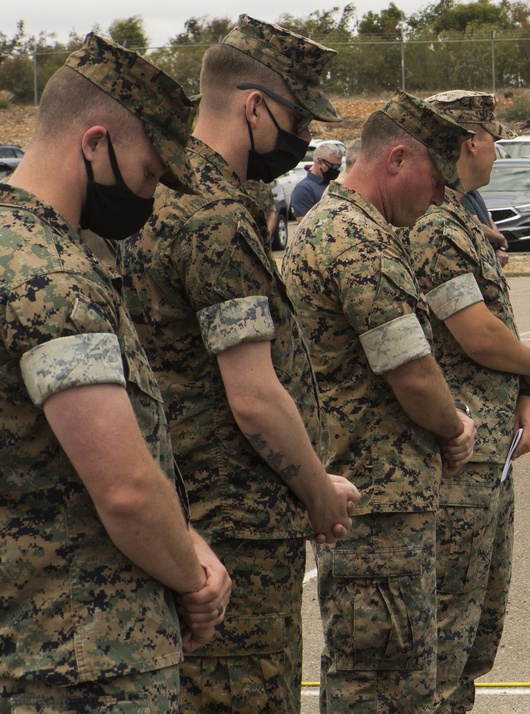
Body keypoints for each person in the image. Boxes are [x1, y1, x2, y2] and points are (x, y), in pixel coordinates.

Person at [118, 16, 361, 713]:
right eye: (295, 121)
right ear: (253, 107)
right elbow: (253, 396)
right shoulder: (214, 215)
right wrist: (318, 493)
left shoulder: (154, 190)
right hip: (237, 531)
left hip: (182, 514)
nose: (302, 143)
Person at [0, 34, 231, 709]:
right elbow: (126, 489)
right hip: (79, 662)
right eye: (151, 173)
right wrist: (193, 577)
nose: (150, 195)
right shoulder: (52, 278)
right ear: (94, 143)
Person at [280, 92, 477, 713]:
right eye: (435, 181)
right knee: (382, 682)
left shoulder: (345, 226)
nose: (442, 199)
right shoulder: (357, 241)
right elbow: (412, 373)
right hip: (376, 499)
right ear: (397, 159)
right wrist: (454, 428)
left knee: (385, 670)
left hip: (373, 491)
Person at [403, 88, 530, 713]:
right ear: (471, 142)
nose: (497, 151)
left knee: (474, 623)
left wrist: (523, 395)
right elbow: (476, 332)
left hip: (487, 447)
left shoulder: (459, 216)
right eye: (494, 139)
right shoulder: (436, 224)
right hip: (457, 452)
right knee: (447, 622)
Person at [291, 140, 344, 219]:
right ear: (320, 162)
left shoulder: (334, 184)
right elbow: (304, 225)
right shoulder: (304, 189)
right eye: (334, 166)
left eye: (339, 166)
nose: (338, 170)